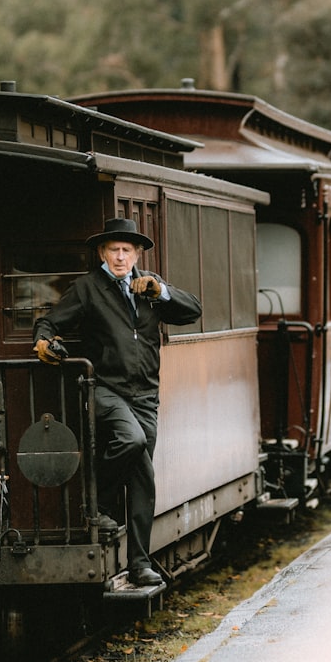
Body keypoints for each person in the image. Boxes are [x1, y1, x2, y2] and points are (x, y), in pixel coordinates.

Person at [33, 217, 202, 587]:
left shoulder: (149, 286)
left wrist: (161, 292)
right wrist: (44, 340)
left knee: (143, 477)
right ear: (102, 253)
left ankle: (140, 562)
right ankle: (100, 503)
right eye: (114, 250)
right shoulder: (88, 288)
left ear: (137, 253)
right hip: (106, 390)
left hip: (145, 395)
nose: (121, 256)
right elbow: (50, 322)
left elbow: (193, 311)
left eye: (127, 250)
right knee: (132, 440)